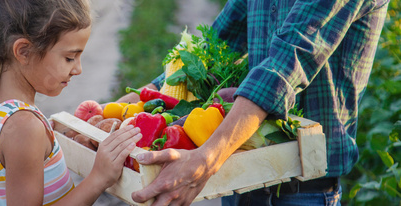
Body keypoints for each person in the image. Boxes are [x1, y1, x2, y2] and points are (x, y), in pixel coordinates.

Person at [113, 0, 390, 205]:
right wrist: (141, 95)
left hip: (306, 188)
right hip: (243, 177)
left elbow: (284, 65)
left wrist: (207, 159)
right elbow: (214, 46)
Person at [0, 0, 142, 205]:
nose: (78, 69)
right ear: (23, 51)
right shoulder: (25, 127)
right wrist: (99, 178)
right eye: (69, 58)